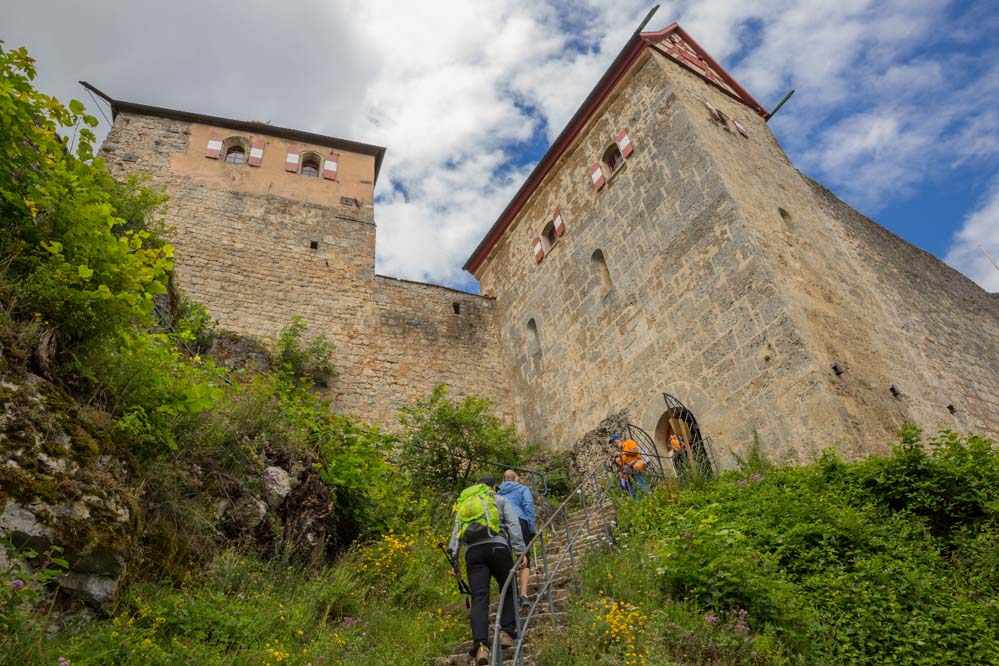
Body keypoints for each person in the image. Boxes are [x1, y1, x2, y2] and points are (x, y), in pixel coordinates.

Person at [449, 476, 527, 665]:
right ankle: (506, 633)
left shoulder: (465, 504)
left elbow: (455, 536)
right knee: (509, 587)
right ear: (493, 487)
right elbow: (513, 525)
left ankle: (481, 646)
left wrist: (455, 564)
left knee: (479, 597)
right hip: (498, 548)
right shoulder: (499, 499)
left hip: (473, 553)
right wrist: (520, 551)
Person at [496, 469, 537, 607]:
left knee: (506, 560)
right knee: (524, 559)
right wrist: (531, 528)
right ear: (516, 478)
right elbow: (528, 506)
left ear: (504, 479)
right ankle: (523, 595)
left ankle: (509, 597)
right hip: (520, 521)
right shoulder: (522, 488)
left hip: (502, 526)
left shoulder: (497, 492)